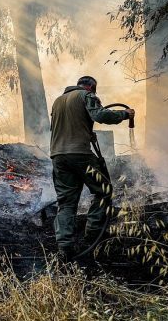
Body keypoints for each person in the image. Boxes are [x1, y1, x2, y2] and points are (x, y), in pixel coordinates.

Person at [49, 75, 135, 260]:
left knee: (66, 202)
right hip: (80, 155)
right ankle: (93, 234)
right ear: (91, 87)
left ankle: (65, 247)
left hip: (58, 157)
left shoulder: (58, 101)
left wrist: (88, 133)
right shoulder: (86, 95)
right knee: (103, 190)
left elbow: (67, 126)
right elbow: (101, 115)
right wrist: (124, 114)